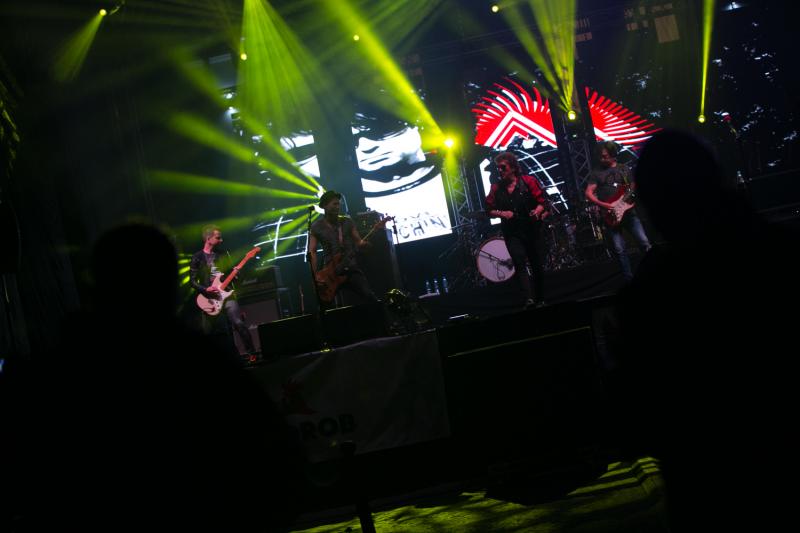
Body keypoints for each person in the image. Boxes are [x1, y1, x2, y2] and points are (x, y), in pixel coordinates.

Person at [611, 130, 799, 531]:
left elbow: (635, 422)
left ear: (655, 206)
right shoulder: (784, 254)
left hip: (705, 493)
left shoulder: (651, 295)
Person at [485, 151, 550, 308]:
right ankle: (528, 299)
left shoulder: (528, 181)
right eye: (498, 168)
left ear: (513, 168)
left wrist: (537, 211)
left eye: (503, 167)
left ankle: (541, 299)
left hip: (531, 229)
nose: (500, 170)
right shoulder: (496, 188)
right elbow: (488, 210)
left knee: (536, 264)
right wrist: (503, 213)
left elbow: (542, 202)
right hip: (512, 232)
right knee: (519, 263)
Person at [585, 141, 651, 281]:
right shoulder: (597, 173)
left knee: (644, 242)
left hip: (629, 213)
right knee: (619, 249)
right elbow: (588, 193)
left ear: (613, 155)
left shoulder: (623, 169)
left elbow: (632, 186)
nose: (602, 159)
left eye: (605, 156)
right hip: (610, 215)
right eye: (600, 156)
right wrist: (603, 204)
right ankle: (628, 280)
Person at [189, 225, 257, 359]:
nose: (221, 240)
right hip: (209, 298)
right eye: (218, 237)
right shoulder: (197, 257)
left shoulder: (223, 254)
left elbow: (233, 275)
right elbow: (192, 281)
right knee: (212, 332)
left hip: (226, 294)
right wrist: (205, 289)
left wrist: (236, 274)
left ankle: (252, 354)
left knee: (238, 323)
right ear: (208, 238)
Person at [309, 190, 378, 308]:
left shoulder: (347, 221)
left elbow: (359, 242)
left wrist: (365, 245)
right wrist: (315, 276)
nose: (337, 206)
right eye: (334, 204)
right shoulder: (316, 226)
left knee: (370, 297)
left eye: (338, 204)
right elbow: (312, 252)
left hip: (350, 268)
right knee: (324, 305)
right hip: (331, 273)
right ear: (324, 205)